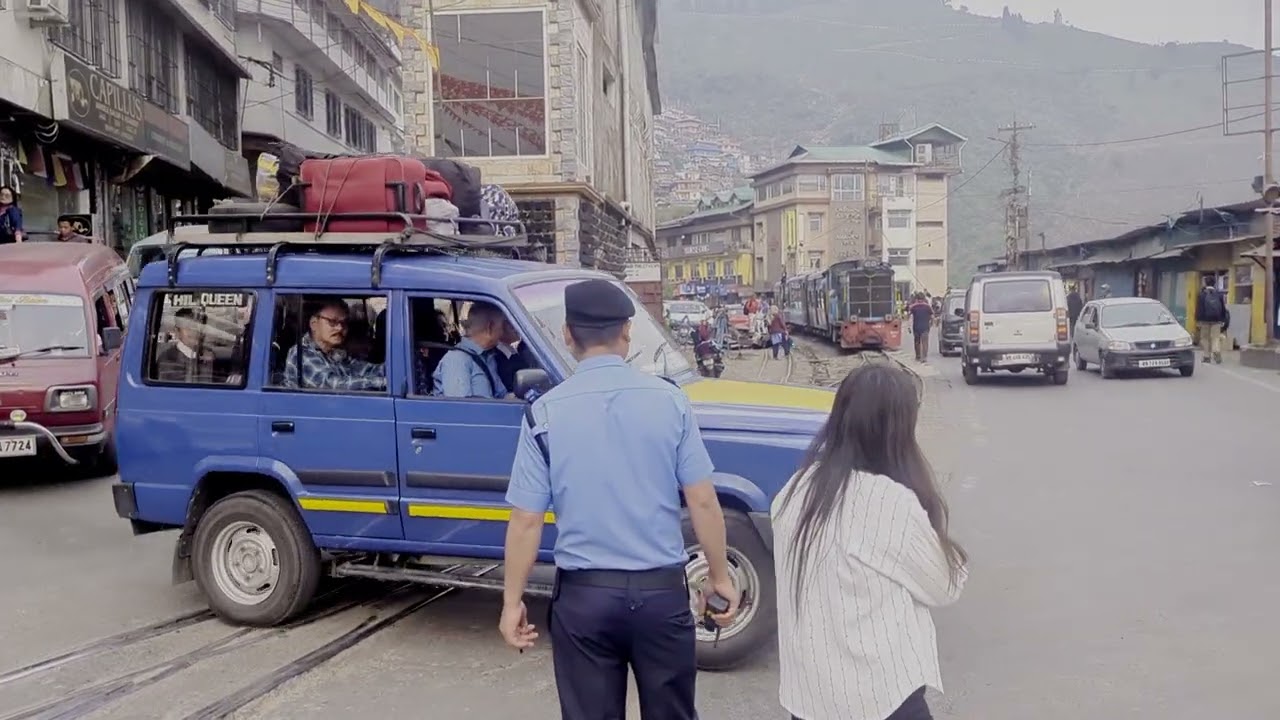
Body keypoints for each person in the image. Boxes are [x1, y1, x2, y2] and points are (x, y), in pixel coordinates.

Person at [499, 278, 739, 720]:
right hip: (661, 598)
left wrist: (512, 601)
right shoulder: (671, 402)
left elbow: (526, 521)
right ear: (628, 332)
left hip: (584, 603)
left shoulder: (543, 414)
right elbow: (702, 500)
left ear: (568, 335)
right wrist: (720, 576)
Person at [772, 365, 968, 720]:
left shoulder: (795, 491)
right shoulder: (889, 503)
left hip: (807, 702)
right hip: (880, 701)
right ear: (897, 430)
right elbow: (946, 587)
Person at [282, 300, 386, 391]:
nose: (340, 328)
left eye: (344, 322)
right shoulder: (301, 353)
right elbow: (335, 385)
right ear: (313, 323)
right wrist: (383, 382)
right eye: (332, 322)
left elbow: (365, 370)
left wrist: (393, 371)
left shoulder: (335, 352)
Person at [432, 301, 510, 399]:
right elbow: (461, 409)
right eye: (503, 326)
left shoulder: (487, 357)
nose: (504, 332)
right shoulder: (457, 361)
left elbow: (501, 396)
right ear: (490, 327)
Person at [155, 309, 213, 383]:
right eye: (188, 327)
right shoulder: (168, 361)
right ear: (177, 331)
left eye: (199, 327)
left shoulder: (210, 356)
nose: (195, 332)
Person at [1194, 275, 1227, 364]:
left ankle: (1206, 356)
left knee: (1205, 338)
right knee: (1215, 337)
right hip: (1216, 320)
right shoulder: (1219, 294)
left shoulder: (1202, 294)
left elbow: (1199, 308)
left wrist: (1197, 319)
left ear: (1205, 283)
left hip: (1204, 320)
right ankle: (1216, 350)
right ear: (1214, 283)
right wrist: (1223, 319)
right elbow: (1223, 308)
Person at [908, 292, 934, 362]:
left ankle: (918, 356)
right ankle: (924, 357)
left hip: (916, 327)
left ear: (916, 298)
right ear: (924, 298)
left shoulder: (913, 307)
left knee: (917, 342)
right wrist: (931, 323)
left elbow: (910, 317)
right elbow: (932, 316)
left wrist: (909, 327)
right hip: (925, 327)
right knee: (925, 342)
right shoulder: (928, 307)